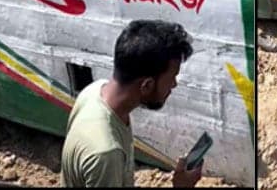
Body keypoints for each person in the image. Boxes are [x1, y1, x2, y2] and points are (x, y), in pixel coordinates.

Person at [61, 20, 203, 187]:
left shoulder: (94, 91)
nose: (174, 85)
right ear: (147, 85)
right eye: (172, 77)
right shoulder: (106, 153)